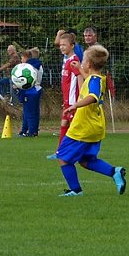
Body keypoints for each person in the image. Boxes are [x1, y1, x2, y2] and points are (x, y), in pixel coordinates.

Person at [53, 44, 126, 196]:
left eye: (84, 60)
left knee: (63, 157)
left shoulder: (94, 81)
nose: (82, 61)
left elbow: (92, 97)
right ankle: (114, 172)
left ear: (89, 64)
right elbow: (89, 81)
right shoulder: (98, 78)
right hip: (94, 126)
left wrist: (75, 105)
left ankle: (75, 190)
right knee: (86, 161)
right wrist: (79, 68)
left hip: (83, 128)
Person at [47, 32, 82, 160]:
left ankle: (78, 152)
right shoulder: (67, 60)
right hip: (68, 100)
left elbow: (79, 77)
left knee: (74, 128)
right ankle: (60, 152)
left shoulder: (73, 61)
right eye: (60, 45)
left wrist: (80, 98)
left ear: (72, 46)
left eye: (64, 45)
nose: (61, 47)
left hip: (73, 101)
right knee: (64, 124)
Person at [17, 48, 43, 137]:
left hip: (31, 90)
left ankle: (31, 131)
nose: (21, 60)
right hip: (37, 88)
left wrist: (18, 85)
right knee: (33, 112)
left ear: (26, 57)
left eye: (22, 58)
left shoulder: (29, 67)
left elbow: (26, 80)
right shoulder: (38, 65)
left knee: (29, 112)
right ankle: (29, 130)